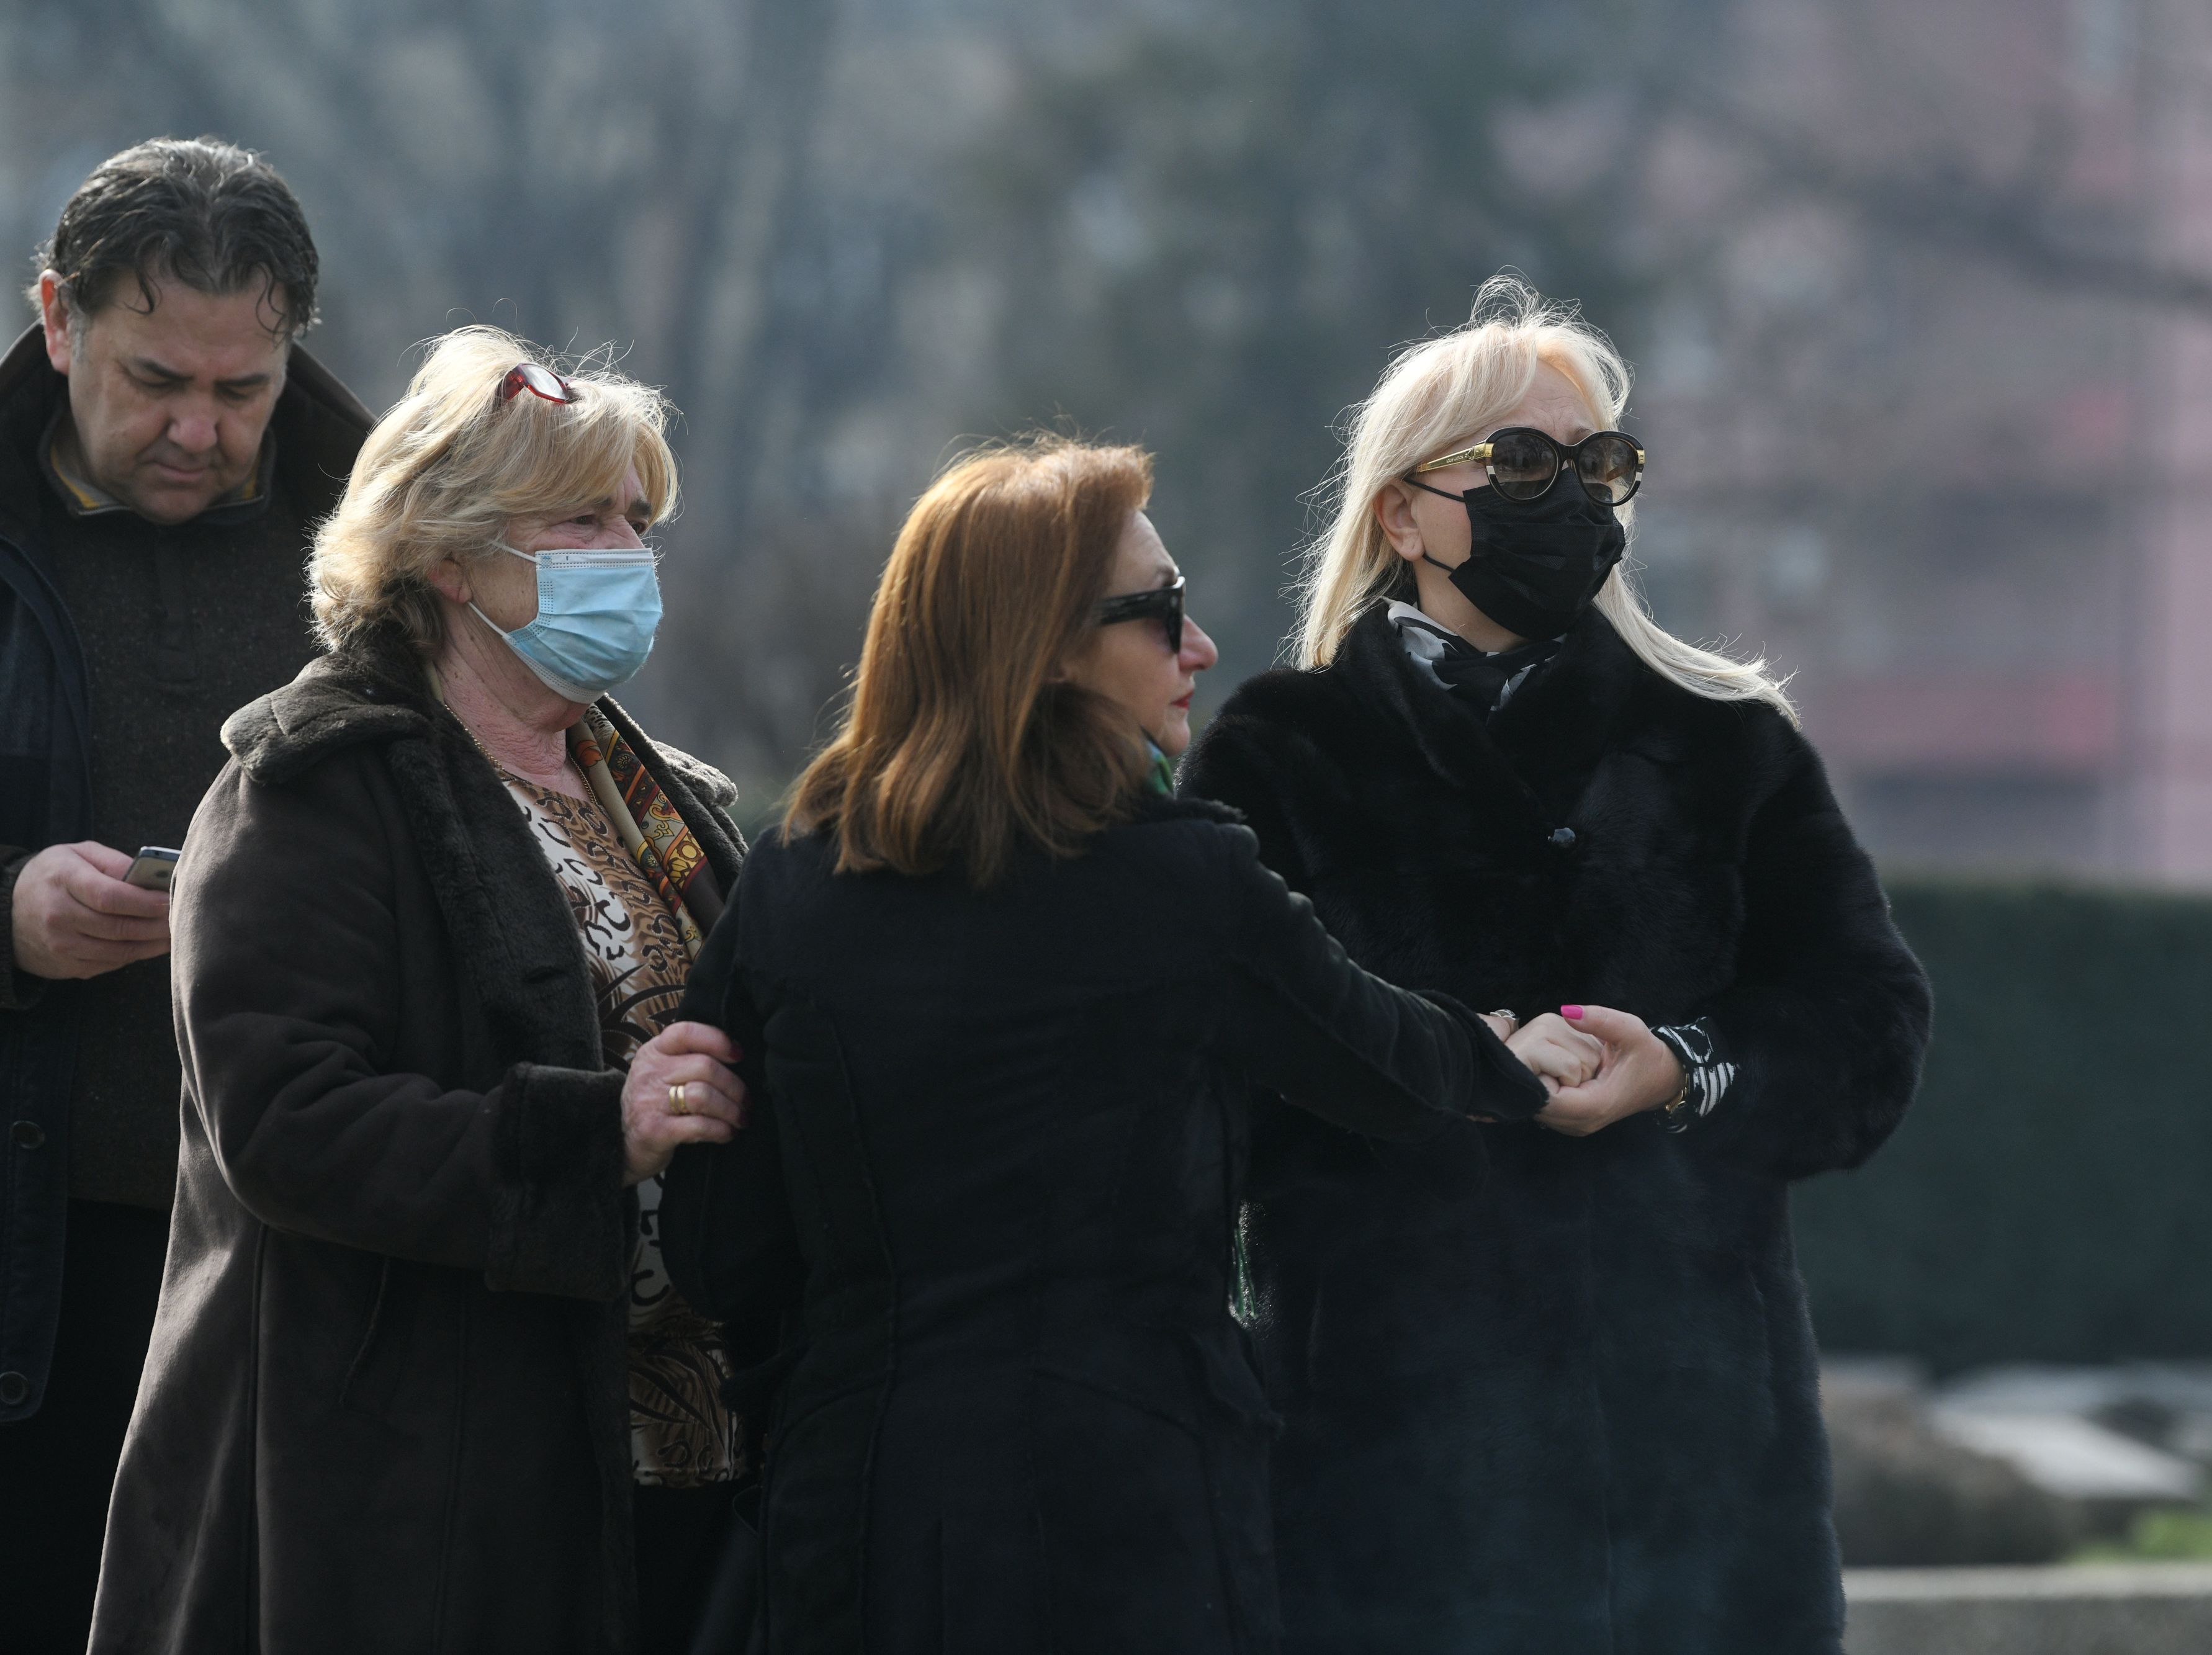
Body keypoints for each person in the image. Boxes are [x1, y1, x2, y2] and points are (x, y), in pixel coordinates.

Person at [659, 437, 1563, 1654]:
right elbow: (1386, 1060)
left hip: (864, 1518)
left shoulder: (787, 886)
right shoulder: (1183, 881)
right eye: (1161, 612)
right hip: (1131, 1521)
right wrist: (1513, 1058)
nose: (1196, 647)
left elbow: (720, 1249)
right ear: (1044, 645)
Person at [1180, 277, 1935, 1653]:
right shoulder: (1276, 753)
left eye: (1600, 465)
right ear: (1400, 512)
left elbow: (1868, 1024)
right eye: (1519, 462)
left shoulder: (1726, 743)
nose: (1572, 495)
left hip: (1697, 1483)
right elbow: (1211, 1090)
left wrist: (1687, 1069)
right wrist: (1444, 1066)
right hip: (1383, 1472)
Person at [86, 327, 752, 1655]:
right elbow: (287, 1120)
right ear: (448, 554)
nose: (625, 549)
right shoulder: (310, 787)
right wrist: (588, 1130)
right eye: (579, 518)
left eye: (636, 517)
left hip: (674, 1476)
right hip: (414, 1501)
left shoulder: (670, 799)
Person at [0, 137, 371, 1651]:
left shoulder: (386, 552)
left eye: (242, 390)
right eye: (157, 379)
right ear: (56, 315)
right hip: (38, 1276)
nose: (198, 430)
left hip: (303, 1261)